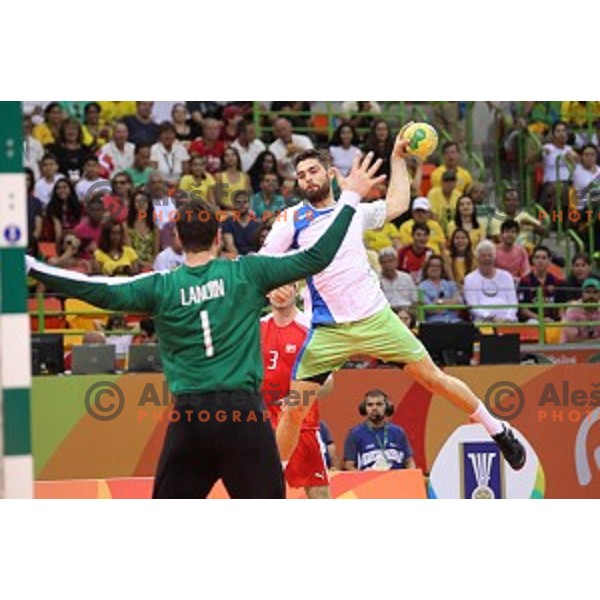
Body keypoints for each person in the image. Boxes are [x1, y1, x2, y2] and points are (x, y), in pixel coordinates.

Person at [25, 158, 375, 499]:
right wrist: (350, 199)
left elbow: (98, 290)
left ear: (177, 236)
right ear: (219, 236)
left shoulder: (161, 286)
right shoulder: (247, 272)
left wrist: (29, 265)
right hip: (245, 416)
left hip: (192, 418)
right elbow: (317, 257)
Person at [264, 143, 526, 474]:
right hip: (328, 329)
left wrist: (398, 158)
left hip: (376, 320)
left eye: (313, 171)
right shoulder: (292, 218)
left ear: (330, 174)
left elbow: (398, 204)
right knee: (294, 408)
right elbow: (266, 258)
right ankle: (271, 484)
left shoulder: (354, 210)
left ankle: (497, 429)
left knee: (435, 379)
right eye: (301, 176)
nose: (307, 179)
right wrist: (276, 283)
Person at [260, 283, 330, 499]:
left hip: (301, 423)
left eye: (285, 287)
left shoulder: (311, 327)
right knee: (259, 492)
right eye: (274, 288)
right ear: (267, 292)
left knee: (318, 493)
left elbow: (328, 384)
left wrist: (296, 399)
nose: (280, 293)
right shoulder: (255, 328)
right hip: (261, 423)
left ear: (296, 289)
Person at [343, 390, 416, 471]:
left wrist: (410, 476)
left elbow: (409, 462)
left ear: (387, 407)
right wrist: (362, 478)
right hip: (369, 481)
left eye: (379, 404)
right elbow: (349, 466)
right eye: (370, 405)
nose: (374, 408)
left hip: (396, 480)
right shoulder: (355, 434)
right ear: (364, 408)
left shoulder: (398, 432)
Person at [464, 240, 518, 323]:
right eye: (483, 255)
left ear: (494, 257)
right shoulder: (469, 278)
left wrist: (508, 318)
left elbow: (513, 302)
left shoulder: (506, 276)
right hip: (483, 321)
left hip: (507, 320)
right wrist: (491, 317)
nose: (487, 258)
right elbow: (472, 305)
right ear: (477, 258)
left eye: (490, 255)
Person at [517, 245, 563, 323]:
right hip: (533, 320)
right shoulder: (525, 281)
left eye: (544, 258)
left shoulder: (556, 281)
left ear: (549, 260)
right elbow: (522, 310)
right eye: (537, 257)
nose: (540, 261)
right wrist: (540, 319)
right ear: (533, 260)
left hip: (553, 321)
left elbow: (561, 306)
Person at [268, 117, 314, 185]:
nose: (282, 133)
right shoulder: (272, 147)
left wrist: (298, 150)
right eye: (278, 131)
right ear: (275, 133)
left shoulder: (304, 140)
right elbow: (279, 170)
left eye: (284, 129)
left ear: (290, 128)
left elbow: (313, 157)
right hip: (287, 178)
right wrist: (287, 156)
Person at [418, 254, 463, 323]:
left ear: (442, 269)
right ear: (426, 268)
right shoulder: (421, 287)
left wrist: (439, 302)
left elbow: (459, 303)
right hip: (434, 322)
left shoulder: (450, 284)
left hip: (454, 320)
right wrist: (450, 304)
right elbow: (431, 310)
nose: (435, 268)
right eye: (432, 265)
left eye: (438, 266)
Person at [126, 191, 159, 270]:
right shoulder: (127, 227)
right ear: (133, 205)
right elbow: (129, 251)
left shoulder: (154, 227)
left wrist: (151, 264)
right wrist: (142, 264)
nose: (141, 204)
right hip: (133, 265)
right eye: (137, 201)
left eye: (144, 201)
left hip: (152, 265)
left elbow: (156, 252)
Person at [221, 191, 261, 256]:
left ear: (249, 204)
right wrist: (239, 259)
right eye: (238, 202)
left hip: (253, 257)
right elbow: (229, 245)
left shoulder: (257, 223)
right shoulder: (228, 222)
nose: (241, 205)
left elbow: (260, 245)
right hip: (235, 257)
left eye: (245, 202)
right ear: (234, 204)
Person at [44, 178, 82, 242]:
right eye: (58, 188)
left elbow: (81, 225)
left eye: (65, 188)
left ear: (70, 189)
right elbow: (57, 228)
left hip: (76, 237)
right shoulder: (52, 206)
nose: (61, 190)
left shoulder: (78, 205)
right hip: (58, 239)